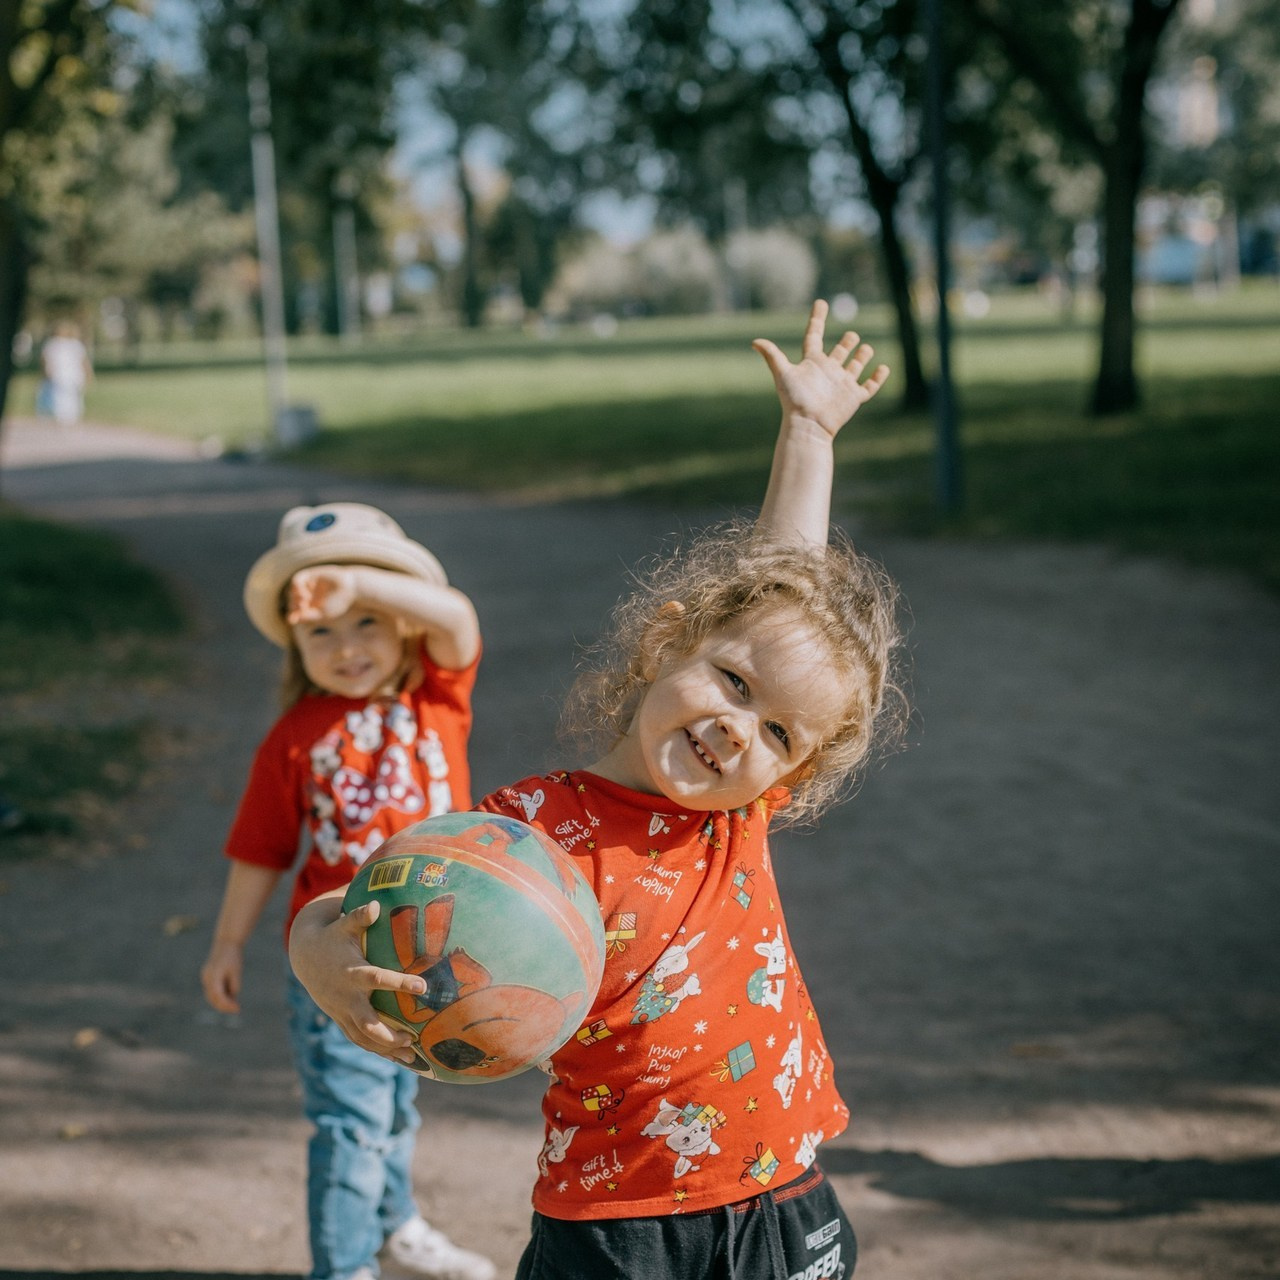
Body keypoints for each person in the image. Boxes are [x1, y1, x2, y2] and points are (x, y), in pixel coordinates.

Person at [289, 302, 906, 1280]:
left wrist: (809, 431)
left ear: (787, 775)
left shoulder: (738, 817)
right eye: (731, 682)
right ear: (665, 643)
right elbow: (361, 897)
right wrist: (320, 954)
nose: (737, 727)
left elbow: (781, 598)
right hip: (617, 1220)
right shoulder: (533, 831)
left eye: (777, 734)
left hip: (782, 1194)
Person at [200, 502, 496, 1280]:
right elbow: (261, 849)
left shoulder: (437, 697)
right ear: (295, 645)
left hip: (430, 960)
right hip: (340, 965)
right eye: (322, 631)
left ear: (403, 621)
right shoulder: (294, 737)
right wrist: (228, 942)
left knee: (395, 1106)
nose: (347, 646)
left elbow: (457, 618)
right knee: (353, 1121)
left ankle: (395, 1224)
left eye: (367, 621)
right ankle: (344, 1265)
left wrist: (352, 582)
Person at [39, 321, 93, 426]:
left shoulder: (67, 344)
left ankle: (67, 418)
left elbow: (84, 361)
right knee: (65, 398)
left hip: (68, 375)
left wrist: (88, 374)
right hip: (64, 375)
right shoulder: (58, 344)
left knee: (67, 398)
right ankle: (67, 418)